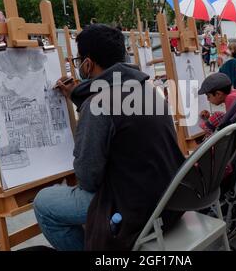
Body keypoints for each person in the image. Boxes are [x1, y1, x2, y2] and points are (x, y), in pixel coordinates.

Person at [33, 23, 185, 251]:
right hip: (170, 199)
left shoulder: (98, 104)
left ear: (88, 63)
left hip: (133, 208)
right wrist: (78, 96)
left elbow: (88, 179)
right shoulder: (147, 89)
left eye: (78, 61)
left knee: (44, 203)